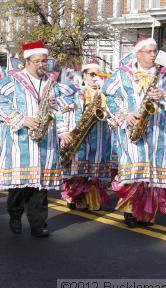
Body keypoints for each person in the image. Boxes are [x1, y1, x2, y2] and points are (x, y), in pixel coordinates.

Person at [102, 38, 166, 227]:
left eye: (155, 51)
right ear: (138, 53)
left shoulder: (164, 73)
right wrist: (124, 115)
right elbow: (109, 98)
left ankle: (147, 212)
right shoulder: (122, 74)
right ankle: (130, 211)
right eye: (149, 51)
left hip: (157, 132)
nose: (153, 55)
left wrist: (164, 94)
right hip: (132, 131)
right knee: (134, 172)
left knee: (153, 174)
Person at [0, 41, 72, 237]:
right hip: (21, 141)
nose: (41, 65)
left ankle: (38, 224)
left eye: (44, 61)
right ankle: (15, 215)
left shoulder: (51, 82)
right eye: (37, 61)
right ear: (27, 61)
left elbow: (61, 108)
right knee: (20, 186)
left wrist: (63, 131)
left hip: (46, 141)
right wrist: (22, 120)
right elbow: (0, 104)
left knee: (40, 187)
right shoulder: (13, 80)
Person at [61, 59, 111, 211]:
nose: (95, 77)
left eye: (98, 74)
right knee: (77, 169)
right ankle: (73, 196)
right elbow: (60, 104)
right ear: (83, 76)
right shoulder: (75, 91)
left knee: (94, 171)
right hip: (79, 134)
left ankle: (92, 200)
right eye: (92, 74)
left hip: (99, 135)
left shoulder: (105, 93)